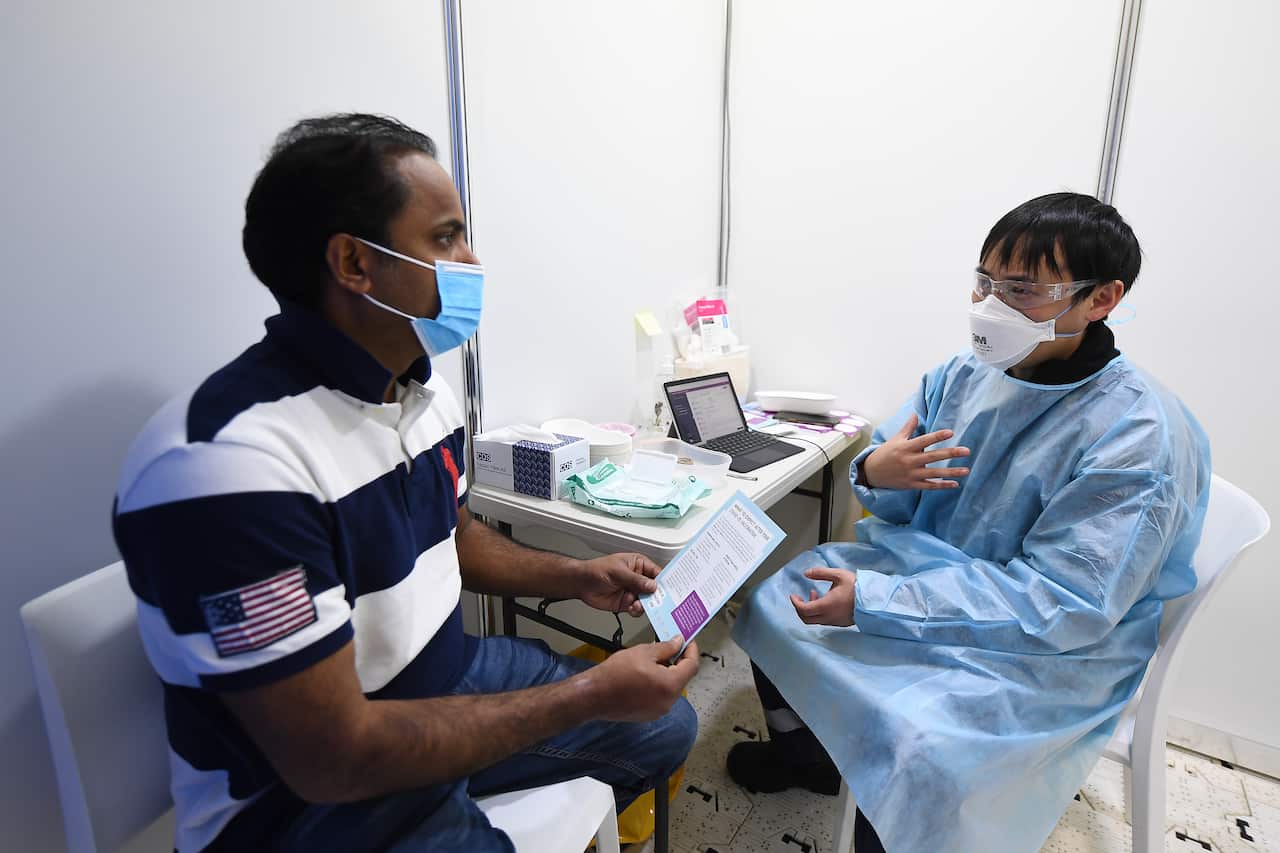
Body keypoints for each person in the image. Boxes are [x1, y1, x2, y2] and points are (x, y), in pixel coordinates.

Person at [112, 113, 698, 853]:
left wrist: (576, 574)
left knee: (664, 721)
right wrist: (585, 692)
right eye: (446, 237)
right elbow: (334, 756)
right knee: (605, 708)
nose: (472, 261)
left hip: (443, 672)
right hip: (310, 806)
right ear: (354, 263)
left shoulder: (419, 394)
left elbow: (451, 537)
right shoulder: (229, 467)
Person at [728, 192, 1210, 853]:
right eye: (984, 281)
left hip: (1047, 647)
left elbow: (1063, 603)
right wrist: (876, 473)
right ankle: (802, 757)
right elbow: (898, 499)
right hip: (929, 578)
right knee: (777, 596)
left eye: (1021, 289)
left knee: (922, 750)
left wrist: (874, 600)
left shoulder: (1138, 433)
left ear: (1102, 299)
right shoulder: (963, 373)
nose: (991, 306)